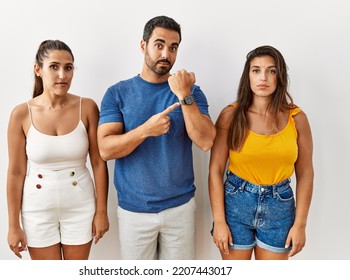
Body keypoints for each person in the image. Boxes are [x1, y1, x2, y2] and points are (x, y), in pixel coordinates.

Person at [97, 15, 216, 260]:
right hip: (133, 212)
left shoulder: (191, 91)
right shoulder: (117, 93)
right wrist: (144, 130)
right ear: (143, 45)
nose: (166, 54)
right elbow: (105, 149)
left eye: (173, 48)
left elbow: (205, 141)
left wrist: (183, 94)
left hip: (180, 209)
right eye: (159, 45)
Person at [6, 40, 109, 260]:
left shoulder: (87, 107)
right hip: (37, 208)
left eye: (68, 67)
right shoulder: (21, 114)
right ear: (38, 70)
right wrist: (13, 225)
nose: (62, 75)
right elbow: (15, 173)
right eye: (54, 66)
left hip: (80, 205)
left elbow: (99, 163)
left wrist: (102, 211)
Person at [208, 45, 314, 260]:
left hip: (280, 207)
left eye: (271, 71)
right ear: (248, 76)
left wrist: (300, 224)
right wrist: (219, 221)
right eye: (256, 70)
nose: (263, 77)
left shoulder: (297, 118)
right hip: (236, 203)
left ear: (280, 76)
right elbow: (215, 170)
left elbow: (306, 174)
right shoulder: (231, 115)